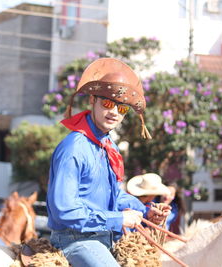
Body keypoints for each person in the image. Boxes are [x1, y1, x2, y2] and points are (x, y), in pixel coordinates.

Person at [47, 58, 171, 267]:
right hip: (75, 241)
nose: (114, 112)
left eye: (122, 109)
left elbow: (113, 194)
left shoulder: (106, 145)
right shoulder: (75, 148)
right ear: (92, 101)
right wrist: (118, 220)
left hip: (104, 239)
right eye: (107, 103)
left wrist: (144, 210)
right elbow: (65, 210)